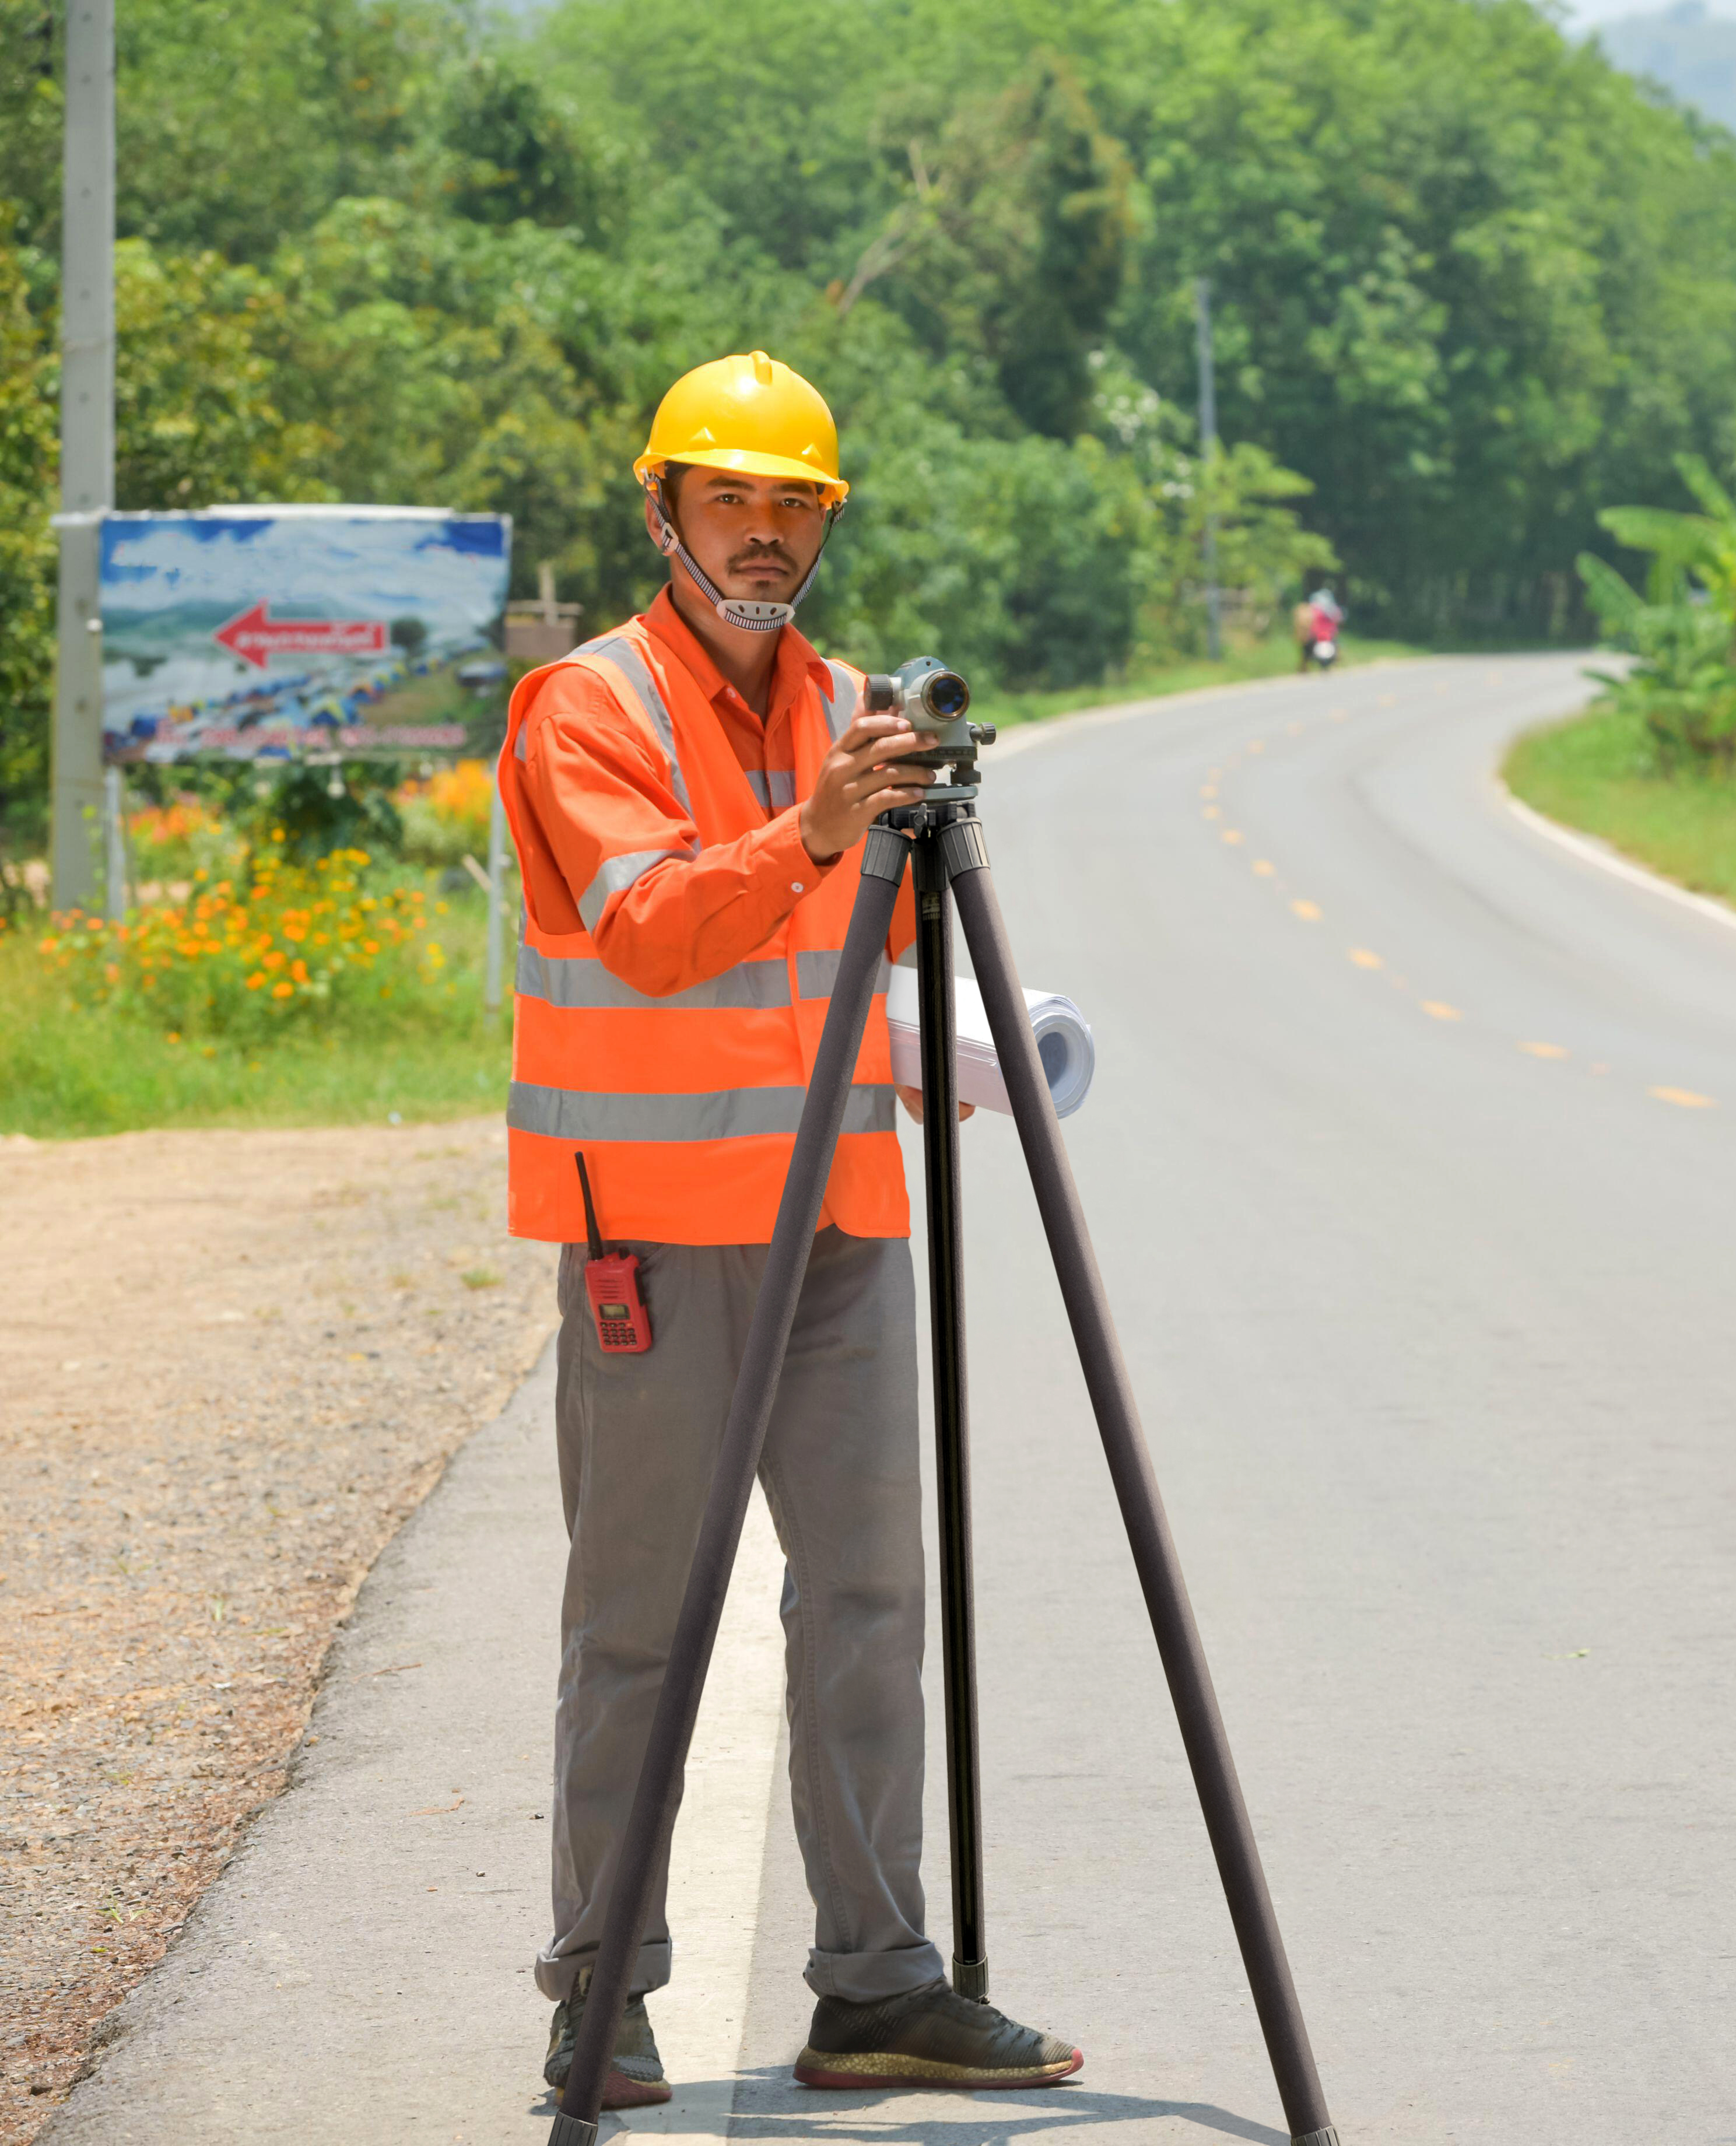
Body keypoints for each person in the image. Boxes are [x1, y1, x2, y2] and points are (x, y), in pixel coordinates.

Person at [496, 350, 1082, 2108]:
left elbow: (839, 964)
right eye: (731, 498)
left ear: (827, 522)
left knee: (871, 1601)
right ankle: (600, 1996)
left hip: (841, 1213)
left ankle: (880, 1985)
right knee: (641, 1626)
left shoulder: (851, 701)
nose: (763, 533)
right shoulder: (580, 709)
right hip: (658, 1238)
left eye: (794, 504)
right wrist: (818, 826)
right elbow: (659, 933)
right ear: (662, 505)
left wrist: (968, 1036)